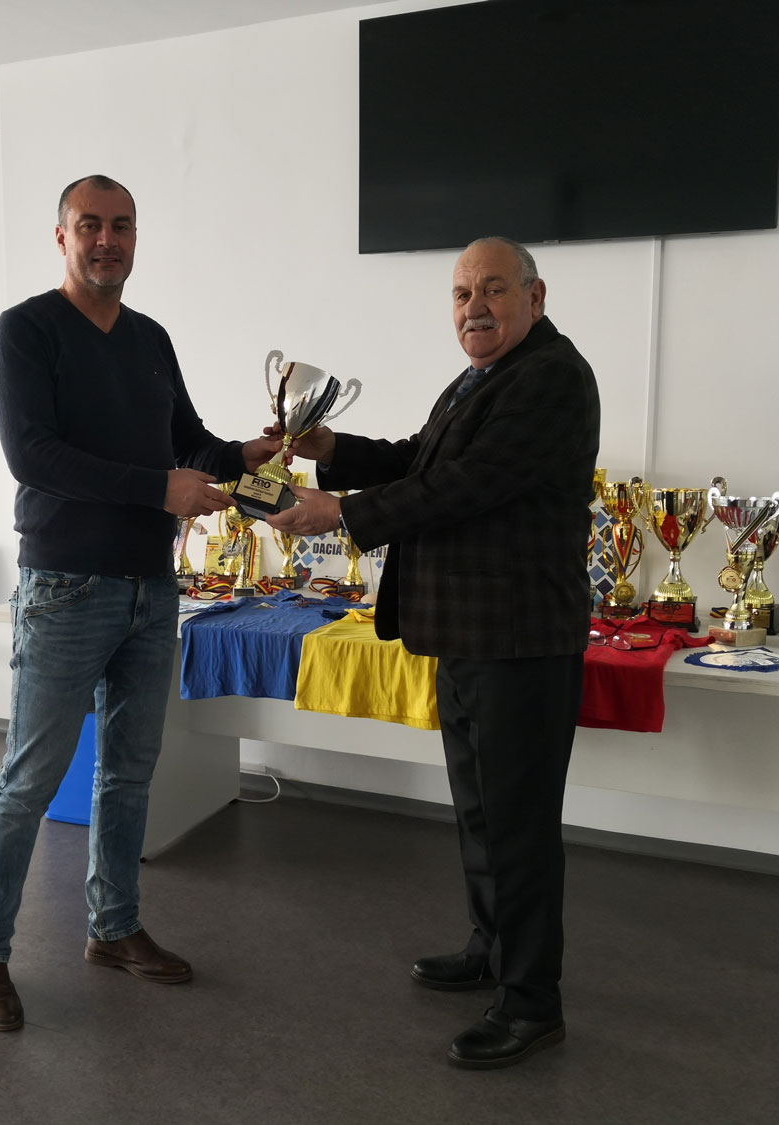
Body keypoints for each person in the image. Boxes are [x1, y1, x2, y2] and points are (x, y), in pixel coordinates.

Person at [264, 237, 600, 1069]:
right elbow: (423, 457)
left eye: (492, 289)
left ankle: (531, 1003)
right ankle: (493, 946)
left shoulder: (551, 377)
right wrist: (332, 449)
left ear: (536, 295)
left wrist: (339, 510)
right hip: (469, 635)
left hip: (519, 641)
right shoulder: (483, 377)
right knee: (482, 813)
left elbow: (465, 487)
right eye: (460, 293)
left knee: (518, 827)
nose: (473, 307)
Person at [0, 174, 280, 1032]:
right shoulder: (26, 331)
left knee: (129, 773)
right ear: (60, 237)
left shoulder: (149, 338)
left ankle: (113, 926)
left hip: (151, 588)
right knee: (29, 779)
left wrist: (256, 453)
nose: (108, 240)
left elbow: (192, 445)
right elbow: (35, 456)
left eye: (123, 226)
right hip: (66, 588)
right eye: (91, 225)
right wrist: (159, 489)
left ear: (136, 239)